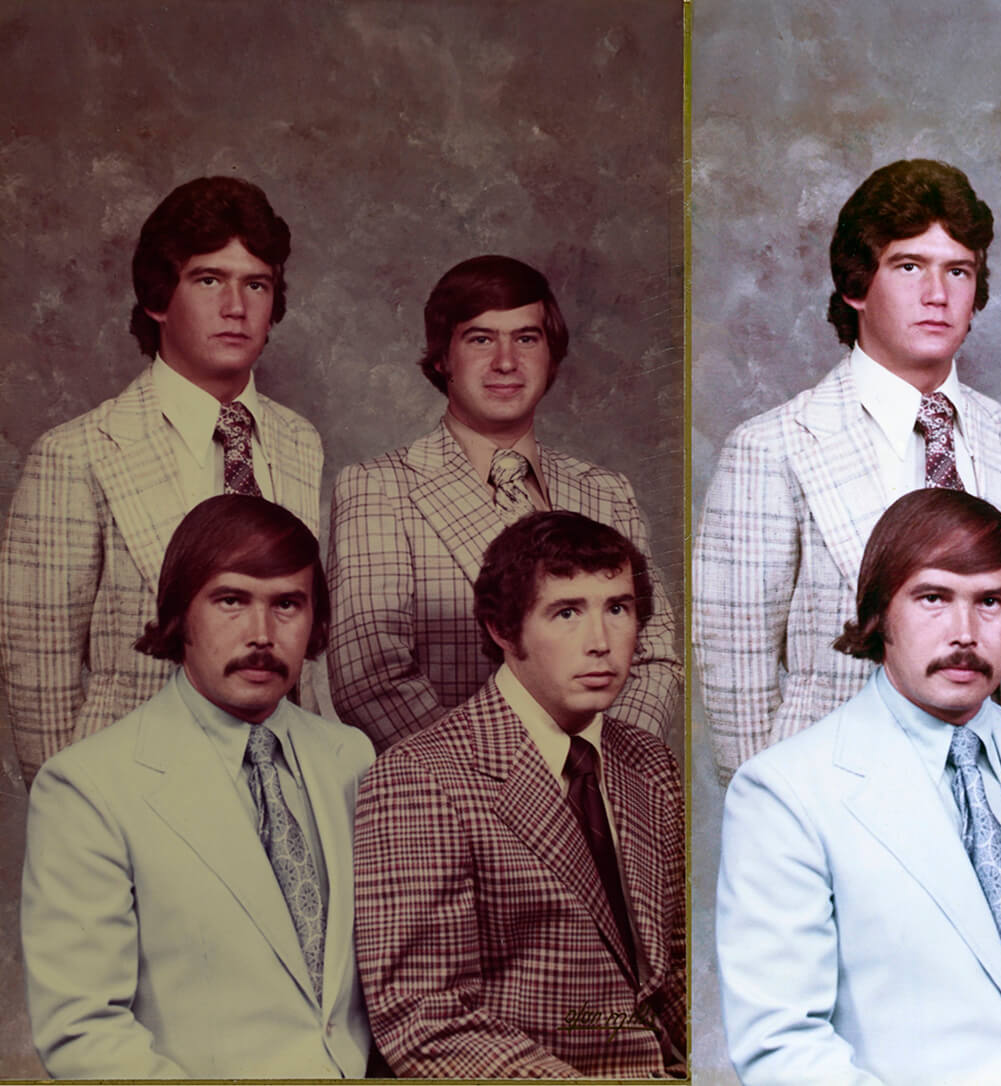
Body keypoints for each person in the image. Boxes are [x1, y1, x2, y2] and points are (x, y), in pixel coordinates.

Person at [716, 488, 1001, 1085]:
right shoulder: (785, 792)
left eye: (991, 601)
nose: (964, 632)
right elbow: (782, 1045)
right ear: (880, 612)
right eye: (933, 598)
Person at [694, 158, 1001, 781]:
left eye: (958, 271)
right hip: (836, 789)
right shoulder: (771, 446)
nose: (938, 295)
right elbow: (737, 670)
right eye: (909, 267)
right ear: (856, 286)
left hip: (988, 775)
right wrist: (776, 814)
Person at [21, 495, 374, 1078]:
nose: (261, 633)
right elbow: (83, 1033)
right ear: (181, 613)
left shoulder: (350, 758)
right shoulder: (87, 788)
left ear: (316, 620)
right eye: (231, 600)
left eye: (288, 604)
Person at [0, 176, 322, 784]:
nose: (236, 308)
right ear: (157, 298)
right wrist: (80, 813)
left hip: (281, 777)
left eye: (257, 284)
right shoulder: (76, 455)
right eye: (209, 281)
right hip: (136, 788)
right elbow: (40, 671)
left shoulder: (299, 441)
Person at [353, 511, 686, 1078]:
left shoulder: (648, 761)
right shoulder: (419, 778)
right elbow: (424, 1019)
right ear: (503, 630)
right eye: (566, 613)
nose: (601, 643)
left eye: (618, 608)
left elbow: (676, 969)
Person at [327, 255, 680, 753]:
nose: (506, 362)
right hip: (462, 800)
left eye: (526, 338)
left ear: (551, 353)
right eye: (480, 339)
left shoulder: (606, 491)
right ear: (441, 358)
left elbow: (655, 656)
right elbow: (372, 679)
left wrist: (599, 768)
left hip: (600, 790)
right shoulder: (378, 488)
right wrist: (506, 780)